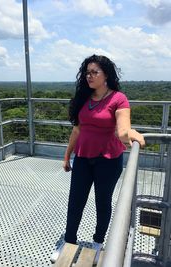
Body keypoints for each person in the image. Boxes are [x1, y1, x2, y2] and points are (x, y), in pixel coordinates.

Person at [51, 54, 145, 264]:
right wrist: (67, 156)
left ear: (106, 75)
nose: (89, 76)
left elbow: (122, 130)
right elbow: (77, 130)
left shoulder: (118, 99)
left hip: (108, 160)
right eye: (87, 73)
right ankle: (69, 242)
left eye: (95, 72)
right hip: (82, 158)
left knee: (103, 203)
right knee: (75, 202)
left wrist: (130, 135)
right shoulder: (84, 98)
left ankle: (97, 244)